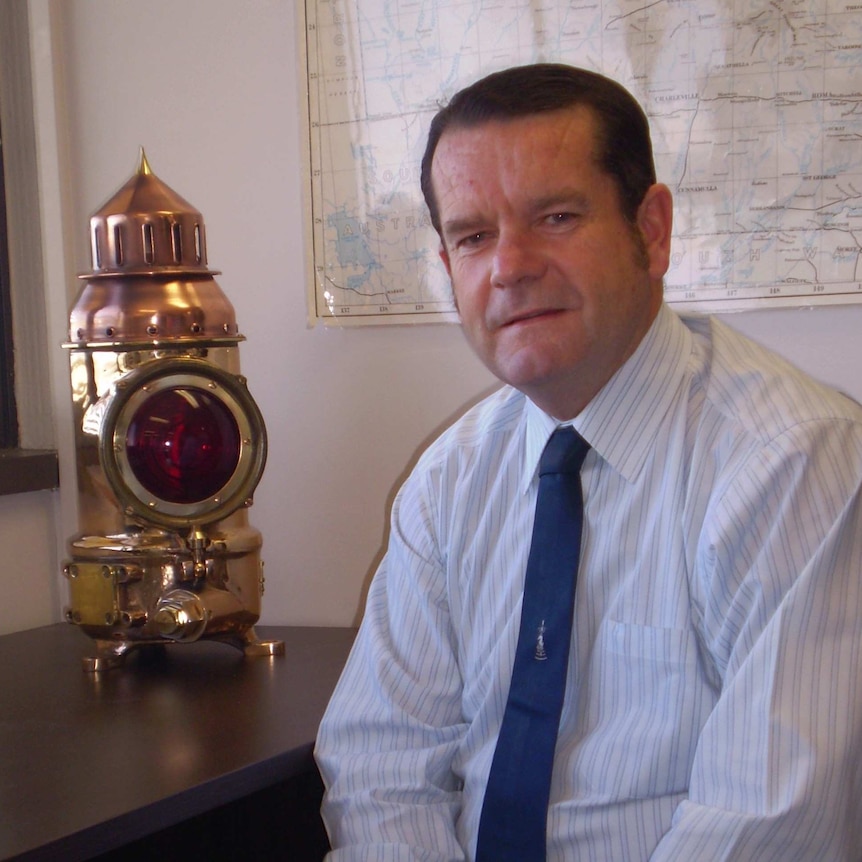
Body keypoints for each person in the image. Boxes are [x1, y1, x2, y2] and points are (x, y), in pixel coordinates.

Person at [314, 63, 862, 860]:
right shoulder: (448, 481)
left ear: (652, 230)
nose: (509, 266)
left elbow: (771, 825)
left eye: (557, 216)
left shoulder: (797, 464)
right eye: (473, 237)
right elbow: (380, 767)